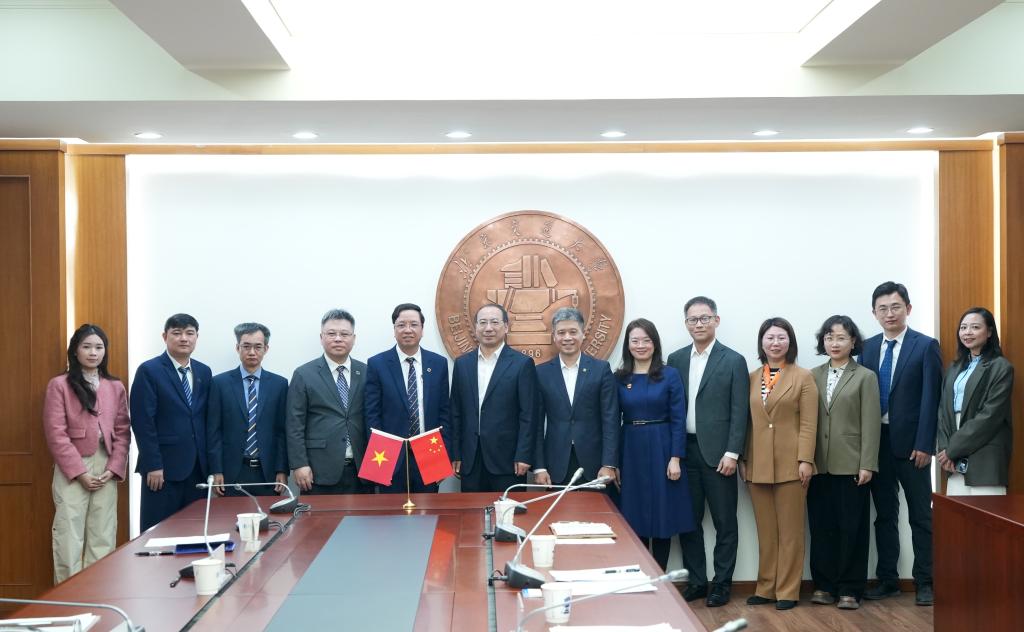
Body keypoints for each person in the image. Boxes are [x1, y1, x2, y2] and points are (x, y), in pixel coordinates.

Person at [861, 281, 941, 606]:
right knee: (884, 515)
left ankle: (926, 581)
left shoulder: (925, 346)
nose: (889, 313)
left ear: (908, 309)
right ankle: (888, 580)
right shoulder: (867, 348)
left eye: (895, 307)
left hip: (912, 446)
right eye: (882, 308)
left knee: (921, 516)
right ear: (874, 313)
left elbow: (931, 398)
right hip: (877, 443)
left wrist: (926, 444)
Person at [666, 296, 749, 607]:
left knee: (725, 522)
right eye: (693, 319)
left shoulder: (733, 360)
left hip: (719, 455)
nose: (698, 324)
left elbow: (740, 411)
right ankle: (697, 582)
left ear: (716, 320)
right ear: (686, 323)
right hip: (684, 452)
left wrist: (733, 453)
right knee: (688, 522)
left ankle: (722, 584)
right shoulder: (675, 359)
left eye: (704, 318)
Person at [43, 324, 130, 582]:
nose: (93, 352)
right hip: (72, 465)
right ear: (75, 350)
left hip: (106, 464)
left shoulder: (115, 386)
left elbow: (123, 430)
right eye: (87, 347)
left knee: (103, 533)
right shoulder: (59, 385)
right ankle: (68, 596)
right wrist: (79, 473)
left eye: (99, 347)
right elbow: (56, 433)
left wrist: (114, 468)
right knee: (68, 534)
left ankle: (97, 593)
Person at [741, 317, 817, 611]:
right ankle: (766, 588)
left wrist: (806, 459)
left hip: (791, 464)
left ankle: (787, 590)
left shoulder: (803, 377)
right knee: (766, 531)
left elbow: (809, 423)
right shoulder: (751, 377)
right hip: (757, 463)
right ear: (761, 342)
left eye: (781, 337)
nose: (775, 343)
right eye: (770, 337)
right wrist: (744, 458)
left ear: (790, 342)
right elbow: (746, 424)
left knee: (791, 532)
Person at [807, 315, 881, 610]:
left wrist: (867, 464)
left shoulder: (865, 376)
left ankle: (850, 588)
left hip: (852, 463)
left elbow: (871, 423)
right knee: (821, 527)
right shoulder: (812, 375)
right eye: (829, 337)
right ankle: (824, 585)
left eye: (841, 338)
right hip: (818, 464)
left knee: (853, 528)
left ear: (853, 342)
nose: (834, 343)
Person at [615, 318, 694, 571]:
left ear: (655, 343)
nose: (641, 345)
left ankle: (660, 576)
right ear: (628, 345)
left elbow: (679, 418)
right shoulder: (619, 377)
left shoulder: (670, 374)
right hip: (631, 448)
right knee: (633, 513)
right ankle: (638, 574)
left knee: (663, 515)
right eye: (635, 341)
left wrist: (675, 457)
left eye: (646, 340)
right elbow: (612, 420)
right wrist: (615, 463)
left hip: (663, 446)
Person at [131, 313, 212, 531]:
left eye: (189, 333)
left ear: (196, 337)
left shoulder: (204, 371)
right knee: (159, 532)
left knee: (195, 531)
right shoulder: (149, 370)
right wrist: (153, 464)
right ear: (165, 336)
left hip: (198, 469)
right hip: (163, 470)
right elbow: (143, 422)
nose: (184, 338)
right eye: (177, 333)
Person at [450, 304, 538, 492]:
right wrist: (456, 453)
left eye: (494, 322)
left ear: (506, 327)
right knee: (471, 510)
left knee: (508, 509)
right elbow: (456, 412)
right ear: (475, 328)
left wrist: (524, 454)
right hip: (470, 458)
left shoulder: (522, 364)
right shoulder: (462, 364)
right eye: (483, 322)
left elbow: (529, 414)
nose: (488, 328)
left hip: (508, 460)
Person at [365, 303, 451, 493]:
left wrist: (444, 454)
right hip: (388, 453)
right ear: (394, 329)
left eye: (413, 324)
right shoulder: (377, 364)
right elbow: (372, 414)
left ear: (422, 329)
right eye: (401, 325)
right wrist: (378, 456)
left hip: (430, 451)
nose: (408, 330)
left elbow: (444, 412)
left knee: (428, 507)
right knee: (391, 509)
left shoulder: (438, 363)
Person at [286, 309, 369, 495]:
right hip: (318, 471)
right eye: (331, 333)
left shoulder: (366, 372)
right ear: (321, 337)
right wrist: (299, 464)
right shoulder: (304, 374)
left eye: (344, 334)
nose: (338, 339)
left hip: (362, 470)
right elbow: (294, 424)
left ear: (354, 338)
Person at [534, 307, 619, 487]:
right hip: (555, 463)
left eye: (573, 332)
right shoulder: (541, 373)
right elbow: (536, 423)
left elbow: (610, 419)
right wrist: (539, 467)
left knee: (596, 507)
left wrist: (609, 463)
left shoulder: (601, 369)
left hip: (596, 464)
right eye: (561, 333)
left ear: (583, 334)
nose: (567, 337)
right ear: (554, 336)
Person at [937, 307, 1014, 496]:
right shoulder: (954, 368)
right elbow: (943, 411)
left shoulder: (1001, 367)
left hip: (985, 451)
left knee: (987, 513)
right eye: (963, 327)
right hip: (953, 456)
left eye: (975, 327)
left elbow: (990, 417)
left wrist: (952, 449)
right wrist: (945, 448)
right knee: (956, 512)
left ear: (989, 332)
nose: (967, 332)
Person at [207, 323, 288, 497]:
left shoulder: (280, 384)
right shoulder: (219, 383)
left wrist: (282, 469)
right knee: (230, 515)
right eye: (246, 346)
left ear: (266, 349)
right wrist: (216, 469)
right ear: (237, 348)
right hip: (231, 472)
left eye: (258, 347)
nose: (252, 352)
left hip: (268, 472)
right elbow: (214, 431)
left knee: (268, 515)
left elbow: (282, 431)